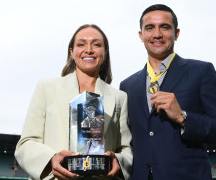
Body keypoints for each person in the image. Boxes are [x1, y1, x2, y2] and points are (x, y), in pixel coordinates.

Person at [120, 4, 216, 180]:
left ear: (176, 33)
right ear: (141, 35)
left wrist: (183, 118)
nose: (157, 34)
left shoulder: (201, 71)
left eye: (165, 27)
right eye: (150, 28)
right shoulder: (127, 86)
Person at [15, 24, 132, 180]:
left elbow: (126, 149)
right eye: (81, 44)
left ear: (105, 53)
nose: (89, 50)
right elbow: (26, 144)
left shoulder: (119, 97)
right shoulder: (46, 88)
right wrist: (51, 159)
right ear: (72, 51)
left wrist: (118, 160)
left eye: (96, 44)